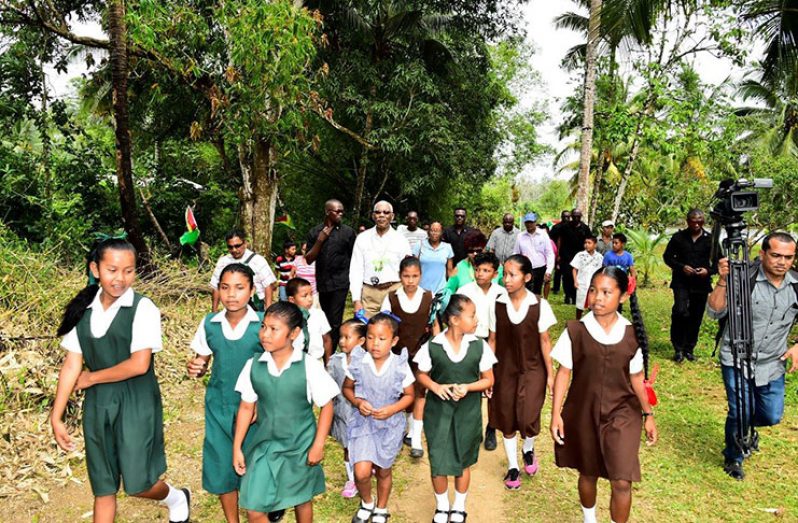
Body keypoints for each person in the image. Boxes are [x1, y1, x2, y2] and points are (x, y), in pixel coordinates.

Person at [53, 238, 190, 523]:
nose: (120, 278)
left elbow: (139, 364)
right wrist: (57, 416)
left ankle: (176, 497)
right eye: (112, 270)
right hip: (98, 405)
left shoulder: (143, 308)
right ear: (95, 268)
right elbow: (71, 365)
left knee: (139, 482)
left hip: (135, 401)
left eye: (128, 271)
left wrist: (92, 377)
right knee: (103, 486)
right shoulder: (83, 311)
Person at [550, 267, 658, 523]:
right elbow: (564, 373)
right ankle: (590, 519)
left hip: (622, 414)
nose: (597, 297)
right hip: (583, 412)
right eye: (593, 290)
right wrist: (556, 414)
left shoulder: (632, 335)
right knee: (588, 472)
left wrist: (648, 414)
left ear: (622, 296)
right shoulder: (576, 331)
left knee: (622, 479)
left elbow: (636, 379)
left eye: (606, 292)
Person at [233, 302, 339, 523]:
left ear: (294, 333)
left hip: (300, 445)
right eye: (264, 327)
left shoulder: (308, 366)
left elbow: (327, 405)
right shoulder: (253, 366)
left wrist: (318, 445)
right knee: (254, 508)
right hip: (265, 446)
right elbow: (246, 407)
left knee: (302, 498)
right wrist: (237, 448)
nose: (265, 334)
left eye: (274, 329)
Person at [707, 232, 798, 481]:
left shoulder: (796, 285)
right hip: (736, 357)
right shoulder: (743, 278)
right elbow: (714, 313)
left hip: (772, 362)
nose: (782, 262)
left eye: (788, 257)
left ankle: (746, 429)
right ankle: (734, 456)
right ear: (763, 254)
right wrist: (723, 281)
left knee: (771, 415)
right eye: (776, 255)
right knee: (739, 411)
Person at [186, 263, 263, 522]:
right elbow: (203, 359)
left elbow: (277, 366)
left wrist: (264, 404)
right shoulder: (210, 323)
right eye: (225, 287)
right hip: (219, 407)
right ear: (218, 290)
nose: (231, 294)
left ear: (252, 291)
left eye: (239, 288)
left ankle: (261, 509)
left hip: (255, 411)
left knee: (255, 468)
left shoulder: (263, 325)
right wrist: (197, 366)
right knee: (221, 466)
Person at [414, 295, 497, 523]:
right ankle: (442, 506)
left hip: (467, 413)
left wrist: (468, 387)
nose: (477, 320)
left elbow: (488, 379)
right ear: (454, 320)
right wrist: (435, 386)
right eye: (471, 315)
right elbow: (421, 374)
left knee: (463, 460)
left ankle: (459, 505)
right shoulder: (433, 346)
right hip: (438, 413)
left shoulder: (479, 346)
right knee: (438, 459)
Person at [488, 254, 557, 490]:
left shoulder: (539, 305)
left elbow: (545, 342)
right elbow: (493, 340)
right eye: (504, 274)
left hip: (533, 369)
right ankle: (513, 466)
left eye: (512, 275)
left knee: (528, 415)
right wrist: (487, 373)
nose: (506, 279)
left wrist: (550, 375)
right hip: (504, 369)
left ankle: (528, 449)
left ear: (527, 277)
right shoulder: (497, 304)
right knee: (507, 417)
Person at [342, 314, 415, 523]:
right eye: (371, 337)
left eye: (382, 339)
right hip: (363, 423)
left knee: (384, 470)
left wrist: (392, 409)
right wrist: (357, 403)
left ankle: (382, 507)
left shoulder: (399, 365)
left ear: (393, 341)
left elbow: (409, 395)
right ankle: (367, 502)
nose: (375, 343)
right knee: (362, 472)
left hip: (389, 426)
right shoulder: (359, 361)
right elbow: (347, 388)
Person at [381, 257, 434, 458]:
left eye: (415, 276)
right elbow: (384, 326)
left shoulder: (429, 297)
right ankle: (397, 434)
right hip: (397, 355)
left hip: (421, 354)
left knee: (420, 394)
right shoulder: (391, 298)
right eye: (406, 276)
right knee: (399, 394)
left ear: (421, 275)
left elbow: (434, 326)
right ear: (399, 276)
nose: (410, 280)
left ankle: (416, 438)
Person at [455, 252, 505, 452]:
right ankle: (468, 429)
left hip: (494, 342)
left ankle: (491, 427)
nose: (480, 274)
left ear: (495, 273)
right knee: (469, 385)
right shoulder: (465, 290)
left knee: (492, 386)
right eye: (477, 269)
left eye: (486, 270)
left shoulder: (501, 292)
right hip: (469, 341)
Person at [663, 209, 713, 362]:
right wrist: (681, 267)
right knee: (680, 311)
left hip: (701, 284)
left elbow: (719, 262)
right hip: (681, 282)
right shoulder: (678, 237)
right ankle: (678, 348)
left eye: (700, 221)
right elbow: (667, 257)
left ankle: (689, 348)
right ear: (688, 221)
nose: (696, 224)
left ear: (703, 221)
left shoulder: (710, 239)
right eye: (693, 220)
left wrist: (708, 271)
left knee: (696, 316)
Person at [305, 199, 357, 349]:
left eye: (342, 211)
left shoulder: (348, 232)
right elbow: (308, 259)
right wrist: (320, 240)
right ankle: (326, 348)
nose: (341, 214)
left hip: (340, 282)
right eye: (337, 211)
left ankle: (332, 353)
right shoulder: (315, 232)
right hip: (323, 283)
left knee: (335, 320)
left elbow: (355, 258)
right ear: (327, 212)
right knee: (325, 319)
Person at [349, 201, 413, 318]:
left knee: (393, 330)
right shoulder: (362, 238)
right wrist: (356, 300)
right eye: (378, 212)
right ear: (373, 216)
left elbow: (408, 270)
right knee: (367, 329)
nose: (382, 215)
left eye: (386, 212)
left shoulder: (401, 240)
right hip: (369, 293)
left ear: (392, 216)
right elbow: (356, 269)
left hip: (394, 290)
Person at [327, 319, 368, 499]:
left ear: (361, 341)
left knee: (364, 447)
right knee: (347, 447)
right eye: (340, 337)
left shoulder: (367, 362)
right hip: (342, 413)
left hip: (362, 414)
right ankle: (352, 479)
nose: (342, 341)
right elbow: (329, 384)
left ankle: (364, 471)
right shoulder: (335, 361)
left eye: (347, 337)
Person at [210, 229, 276, 312]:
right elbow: (216, 286)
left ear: (245, 243)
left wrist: (268, 311)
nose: (234, 250)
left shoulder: (258, 260)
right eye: (230, 247)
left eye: (237, 246)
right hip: (232, 306)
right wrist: (214, 311)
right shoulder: (223, 262)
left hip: (255, 306)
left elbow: (268, 285)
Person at [286, 277, 333, 362]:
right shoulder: (286, 319)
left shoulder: (318, 314)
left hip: (316, 361)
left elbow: (327, 339)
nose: (310, 299)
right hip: (295, 363)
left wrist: (328, 363)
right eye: (305, 296)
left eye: (311, 294)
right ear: (292, 300)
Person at [512, 212, 555, 295]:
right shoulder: (520, 236)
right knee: (525, 290)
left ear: (535, 222)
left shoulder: (543, 234)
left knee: (537, 291)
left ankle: (537, 306)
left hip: (540, 267)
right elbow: (516, 253)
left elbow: (549, 253)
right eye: (527, 223)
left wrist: (549, 270)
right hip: (526, 268)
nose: (529, 225)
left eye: (531, 222)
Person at [557, 209, 591, 305]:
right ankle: (567, 295)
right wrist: (558, 254)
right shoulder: (565, 227)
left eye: (578, 216)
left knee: (578, 277)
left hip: (580, 256)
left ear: (581, 216)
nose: (576, 218)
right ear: (571, 216)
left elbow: (589, 241)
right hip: (566, 255)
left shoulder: (585, 228)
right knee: (567, 277)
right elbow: (560, 240)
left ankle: (575, 297)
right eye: (574, 216)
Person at [415, 221, 455, 294]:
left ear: (441, 233)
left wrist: (451, 289)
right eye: (432, 230)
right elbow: (413, 268)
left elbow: (449, 271)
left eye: (437, 231)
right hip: (421, 290)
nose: (434, 233)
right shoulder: (419, 245)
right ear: (428, 231)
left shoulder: (447, 247)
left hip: (441, 291)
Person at [571, 235, 605, 319]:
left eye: (589, 243)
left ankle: (591, 320)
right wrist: (575, 281)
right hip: (582, 283)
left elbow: (602, 271)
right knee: (580, 304)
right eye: (585, 243)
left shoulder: (599, 257)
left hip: (594, 284)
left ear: (595, 245)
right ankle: (578, 320)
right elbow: (574, 269)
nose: (586, 245)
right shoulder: (580, 255)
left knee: (593, 302)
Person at [548, 210, 572, 295]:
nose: (566, 218)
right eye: (564, 217)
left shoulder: (572, 228)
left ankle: (568, 291)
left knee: (568, 272)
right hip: (557, 251)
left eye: (568, 217)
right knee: (557, 271)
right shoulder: (556, 227)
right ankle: (556, 287)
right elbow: (550, 239)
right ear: (561, 217)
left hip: (569, 253)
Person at [293, 242, 320, 309]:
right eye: (303, 249)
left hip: (313, 293)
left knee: (312, 314)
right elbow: (291, 275)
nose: (305, 251)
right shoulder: (297, 259)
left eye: (307, 249)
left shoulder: (316, 260)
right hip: (299, 294)